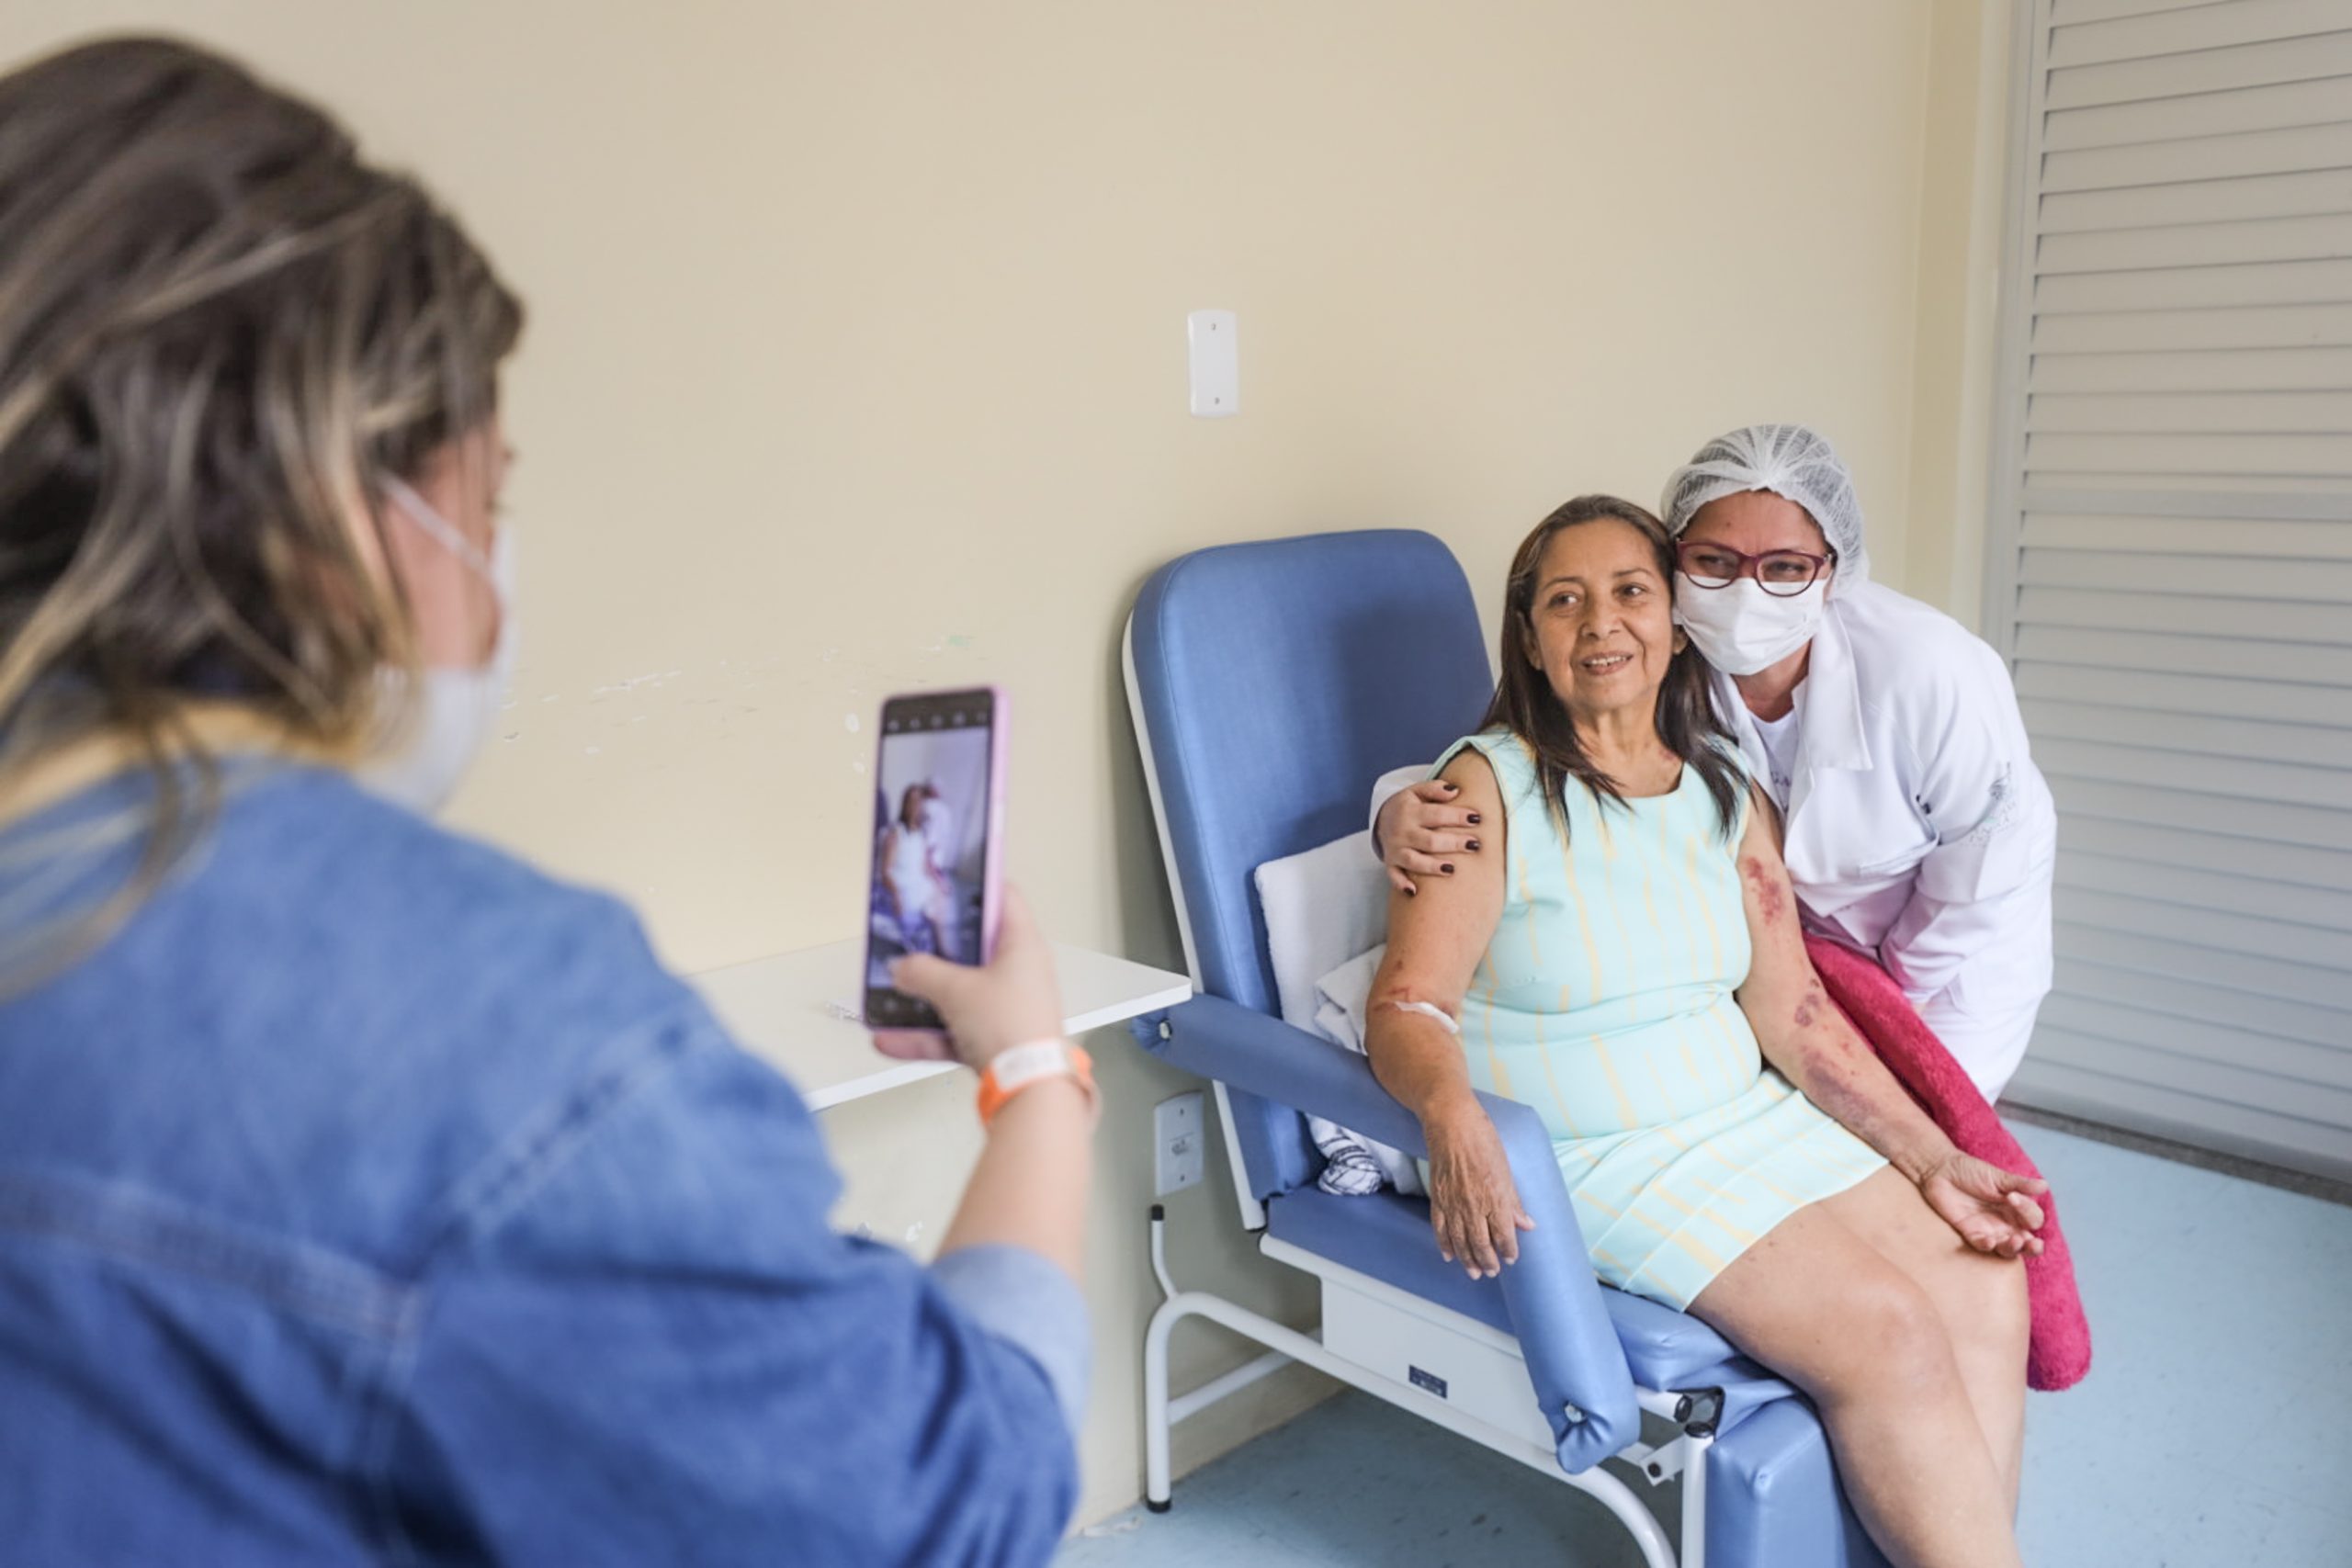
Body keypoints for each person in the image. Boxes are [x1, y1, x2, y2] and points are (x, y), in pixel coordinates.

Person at [0, 38, 1094, 1565]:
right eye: (487, 503)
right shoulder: (491, 1042)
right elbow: (945, 1503)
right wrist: (1037, 1079)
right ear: (332, 501)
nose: (496, 595)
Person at [1368, 494, 2043, 1568]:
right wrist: (1452, 1117)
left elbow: (1795, 1013)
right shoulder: (1479, 794)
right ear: (1531, 640)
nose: (1602, 623)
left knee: (1981, 1274)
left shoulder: (1724, 795)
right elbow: (1406, 1008)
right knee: (1886, 1329)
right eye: (1565, 600)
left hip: (1741, 1117)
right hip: (1598, 1154)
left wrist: (1934, 1156)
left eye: (1631, 592)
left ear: (1674, 621)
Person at [1375, 424, 2056, 1100]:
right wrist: (1394, 811)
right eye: (1715, 562)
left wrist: (1884, 999)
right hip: (1786, 959)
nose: (1745, 592)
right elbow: (1525, 737)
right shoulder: (1665, 648)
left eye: (1785, 567)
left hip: (1949, 965)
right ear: (1678, 563)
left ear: (1834, 569)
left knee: (1933, 1138)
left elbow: (1985, 868)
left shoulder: (1930, 673)